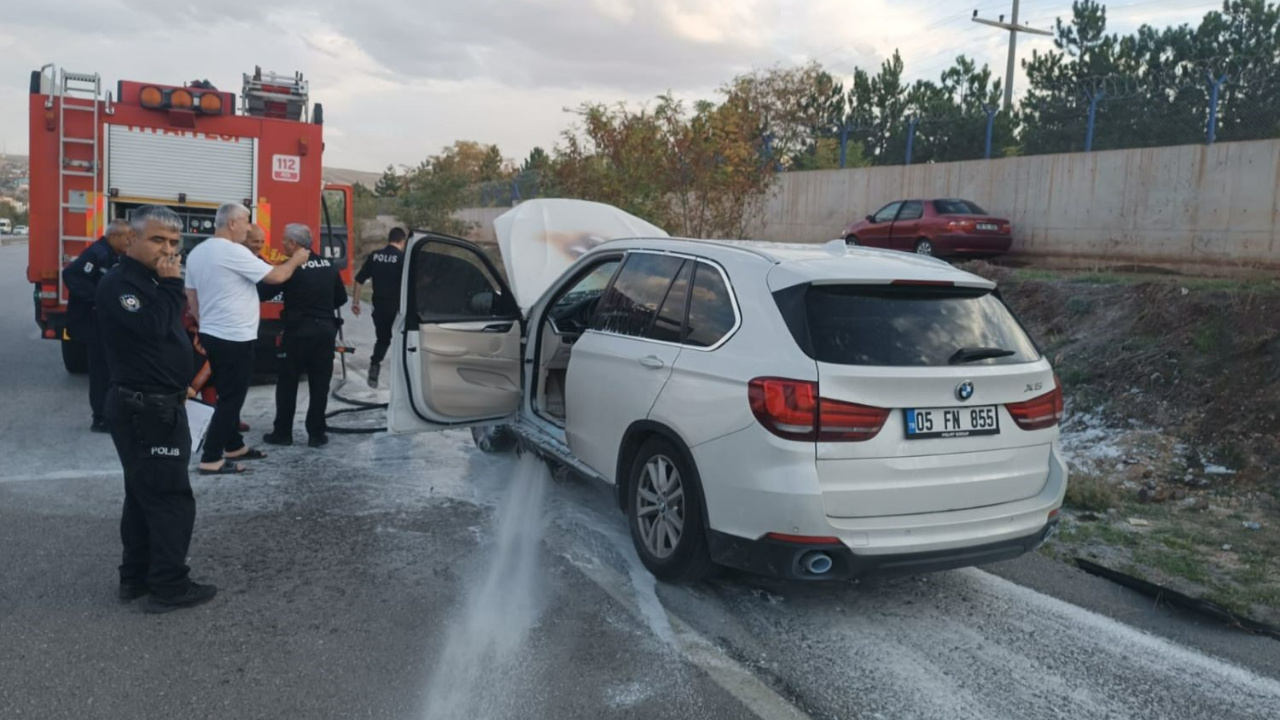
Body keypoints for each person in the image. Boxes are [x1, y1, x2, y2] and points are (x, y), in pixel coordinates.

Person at [97, 205, 217, 613]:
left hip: (158, 402)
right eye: (157, 240)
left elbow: (159, 333)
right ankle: (168, 585)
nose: (168, 250)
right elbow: (148, 326)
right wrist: (171, 286)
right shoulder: (121, 283)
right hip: (145, 412)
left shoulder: (148, 280)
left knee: (142, 493)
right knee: (169, 499)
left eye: (173, 242)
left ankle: (136, 577)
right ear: (131, 239)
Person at [184, 202, 310, 475]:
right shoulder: (232, 252)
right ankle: (211, 457)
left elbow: (192, 296)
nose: (248, 227)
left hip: (213, 333)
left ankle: (234, 446)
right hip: (234, 337)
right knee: (231, 399)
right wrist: (297, 259)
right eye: (245, 221)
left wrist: (205, 326)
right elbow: (276, 276)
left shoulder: (197, 252)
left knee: (227, 392)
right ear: (231, 224)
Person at [261, 224, 347, 448]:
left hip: (297, 333)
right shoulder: (329, 266)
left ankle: (283, 433)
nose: (282, 244)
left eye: (284, 241)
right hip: (325, 333)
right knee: (320, 385)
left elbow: (264, 292)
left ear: (294, 244)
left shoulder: (290, 268)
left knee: (288, 383)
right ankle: (316, 435)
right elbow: (341, 298)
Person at [63, 219, 133, 432]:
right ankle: (101, 418)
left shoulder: (114, 254)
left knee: (111, 369)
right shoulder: (97, 253)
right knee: (101, 370)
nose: (131, 241)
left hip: (105, 322)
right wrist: (98, 299)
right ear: (113, 237)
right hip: (92, 323)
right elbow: (72, 275)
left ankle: (111, 412)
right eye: (127, 238)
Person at [351, 227, 407, 388]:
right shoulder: (403, 258)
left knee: (383, 339)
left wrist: (355, 302)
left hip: (379, 306)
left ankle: (375, 366)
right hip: (398, 307)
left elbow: (359, 280)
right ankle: (402, 376)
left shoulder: (375, 256)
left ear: (389, 239)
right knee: (403, 340)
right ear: (402, 241)